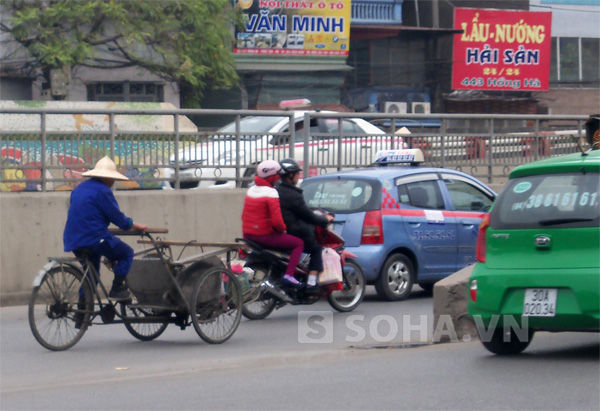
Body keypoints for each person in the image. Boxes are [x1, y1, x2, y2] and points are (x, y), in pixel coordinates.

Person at [63, 156, 147, 302]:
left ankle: (82, 313)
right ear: (107, 178)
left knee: (91, 275)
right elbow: (120, 220)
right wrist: (135, 225)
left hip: (73, 239)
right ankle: (117, 288)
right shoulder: (103, 191)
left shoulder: (79, 189)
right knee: (126, 253)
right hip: (94, 239)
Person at [241, 159, 305, 288]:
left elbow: (244, 216)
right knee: (298, 243)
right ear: (272, 177)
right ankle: (289, 275)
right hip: (264, 236)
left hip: (248, 235)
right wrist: (283, 230)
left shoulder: (251, 190)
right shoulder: (271, 193)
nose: (279, 179)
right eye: (277, 176)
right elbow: (277, 221)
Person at [277, 158, 334, 290]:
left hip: (282, 231)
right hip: (295, 231)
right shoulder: (293, 195)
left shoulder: (278, 191)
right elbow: (308, 216)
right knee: (316, 249)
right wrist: (325, 220)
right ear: (291, 175)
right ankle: (311, 283)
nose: (298, 177)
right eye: (297, 174)